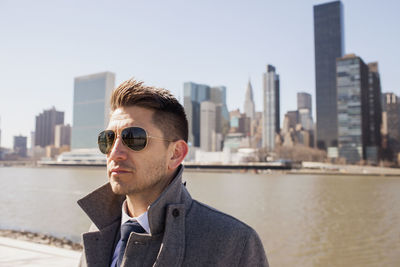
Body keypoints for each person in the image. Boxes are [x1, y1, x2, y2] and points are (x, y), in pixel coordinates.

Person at [77, 79, 269, 267]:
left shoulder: (235, 244)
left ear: (176, 154)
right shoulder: (98, 231)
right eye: (108, 139)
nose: (115, 153)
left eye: (134, 138)